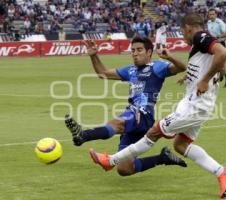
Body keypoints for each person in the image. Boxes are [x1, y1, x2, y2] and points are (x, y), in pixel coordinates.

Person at [89, 13, 226, 198]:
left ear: (188, 27)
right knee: (181, 145)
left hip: (196, 105)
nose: (183, 36)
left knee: (154, 133)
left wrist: (204, 80)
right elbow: (219, 64)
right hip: (194, 103)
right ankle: (222, 172)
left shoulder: (200, 37)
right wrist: (192, 77)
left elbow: (223, 53)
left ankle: (110, 161)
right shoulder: (201, 45)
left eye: (182, 32)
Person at [65, 37, 187, 176]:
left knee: (117, 123)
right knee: (124, 169)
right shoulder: (130, 70)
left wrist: (170, 57)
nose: (135, 53)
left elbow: (181, 67)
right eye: (133, 50)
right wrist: (94, 55)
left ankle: (84, 135)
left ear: (149, 52)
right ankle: (162, 157)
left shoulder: (157, 67)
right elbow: (103, 74)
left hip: (143, 113)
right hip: (134, 116)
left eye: (139, 50)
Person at [207, 8, 226, 88]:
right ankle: (218, 77)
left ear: (216, 15)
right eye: (210, 14)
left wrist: (217, 37)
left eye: (213, 14)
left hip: (220, 44)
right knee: (213, 63)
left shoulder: (220, 22)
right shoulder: (208, 22)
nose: (211, 16)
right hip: (212, 44)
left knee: (222, 64)